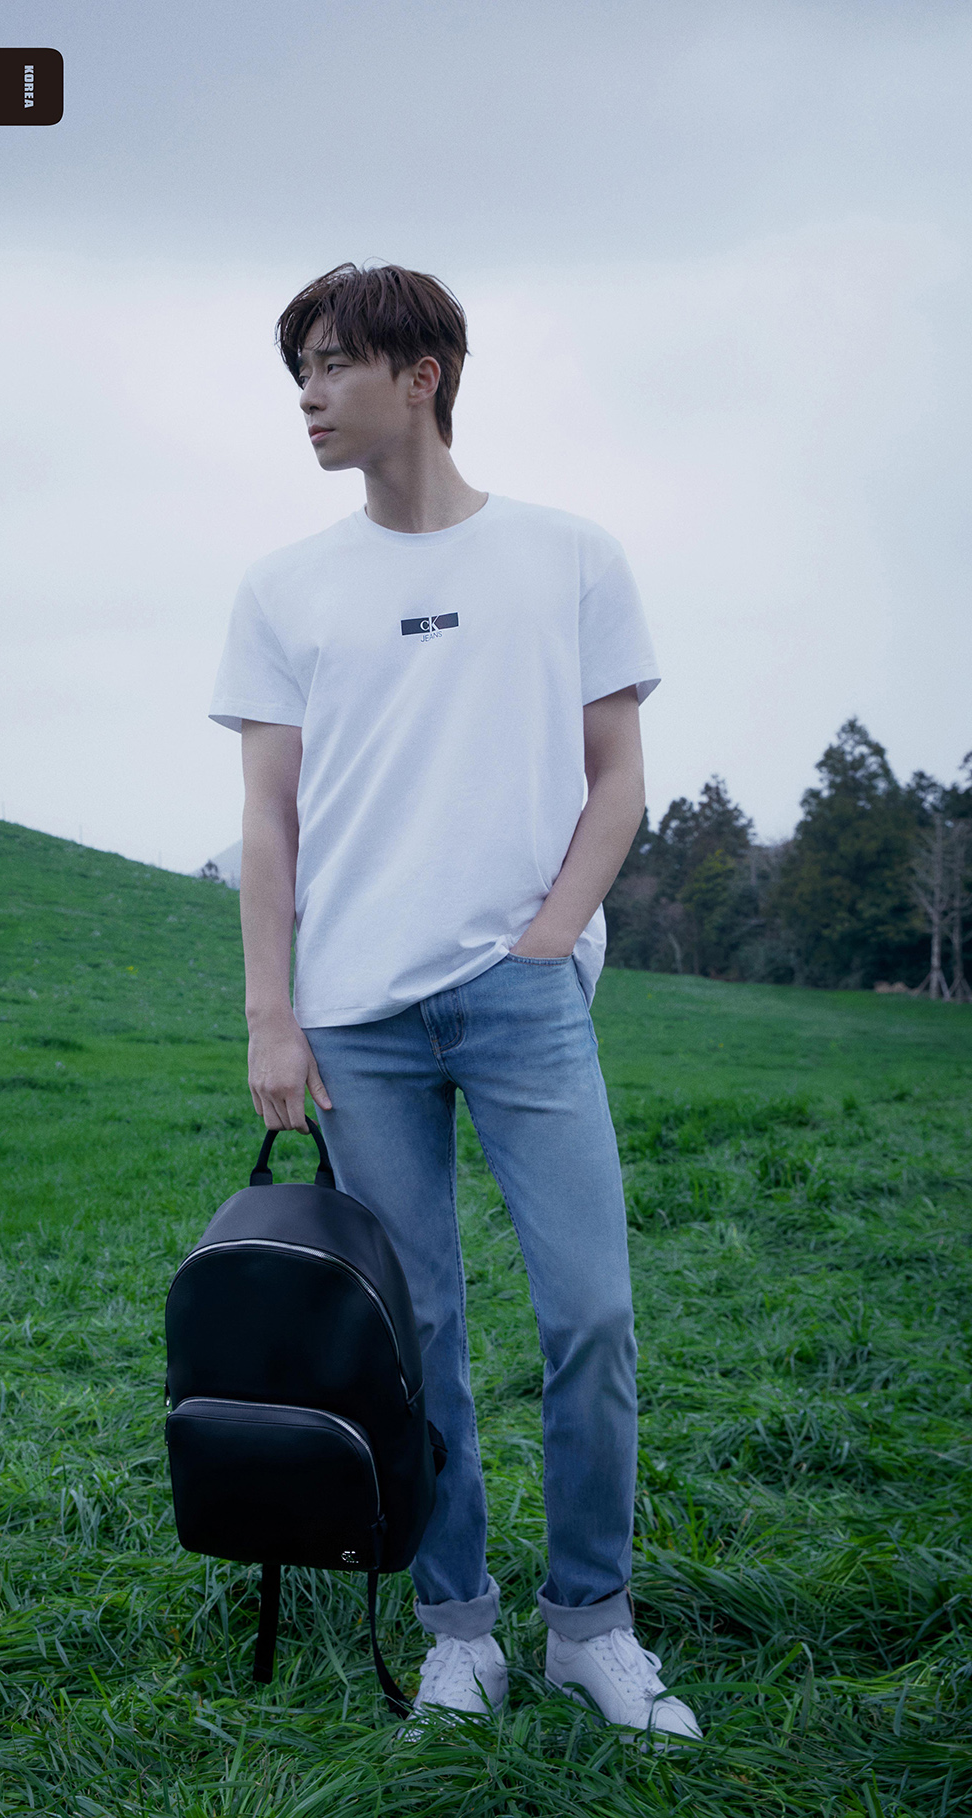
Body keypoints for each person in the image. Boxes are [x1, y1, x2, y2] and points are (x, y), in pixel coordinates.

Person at [208, 263, 701, 1743]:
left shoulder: (569, 555)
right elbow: (269, 820)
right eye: (296, 370)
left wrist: (547, 941)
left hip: (523, 995)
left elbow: (618, 777)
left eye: (331, 364)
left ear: (422, 374)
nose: (306, 395)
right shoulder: (282, 588)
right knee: (413, 1334)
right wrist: (271, 1012)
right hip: (356, 1020)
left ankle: (591, 1624)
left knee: (592, 1316)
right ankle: (459, 1631)